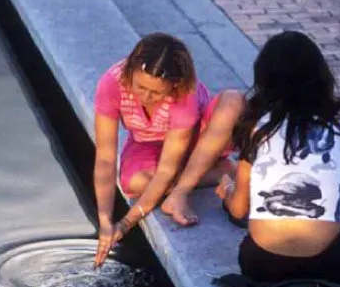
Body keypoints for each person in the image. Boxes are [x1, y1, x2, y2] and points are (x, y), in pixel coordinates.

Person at [215, 31, 340, 283]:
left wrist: (228, 192)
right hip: (331, 266)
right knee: (332, 237)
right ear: (320, 75)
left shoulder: (256, 125)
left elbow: (239, 210)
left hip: (261, 266)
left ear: (264, 79)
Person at [93, 32, 239, 267]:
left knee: (233, 101)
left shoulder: (184, 94)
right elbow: (105, 159)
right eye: (140, 86)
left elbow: (165, 170)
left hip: (198, 141)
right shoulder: (111, 83)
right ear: (129, 70)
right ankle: (219, 172)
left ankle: (188, 184)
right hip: (148, 142)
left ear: (175, 85)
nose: (146, 96)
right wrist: (105, 221)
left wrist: (127, 223)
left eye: (156, 92)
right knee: (136, 183)